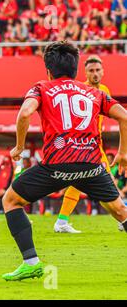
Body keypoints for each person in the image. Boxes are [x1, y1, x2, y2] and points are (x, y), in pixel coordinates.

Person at [1, 41, 127, 281]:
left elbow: (25, 113)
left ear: (48, 70)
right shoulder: (95, 92)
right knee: (121, 211)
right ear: (77, 70)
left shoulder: (42, 87)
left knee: (11, 200)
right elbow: (124, 117)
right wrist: (122, 153)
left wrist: (19, 147)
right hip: (91, 165)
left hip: (56, 167)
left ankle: (31, 263)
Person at [55, 55, 113, 233]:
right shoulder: (78, 89)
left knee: (78, 182)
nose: (95, 74)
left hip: (96, 145)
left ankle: (62, 221)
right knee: (106, 181)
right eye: (91, 71)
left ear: (102, 71)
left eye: (97, 70)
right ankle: (122, 216)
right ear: (85, 72)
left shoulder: (104, 90)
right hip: (82, 144)